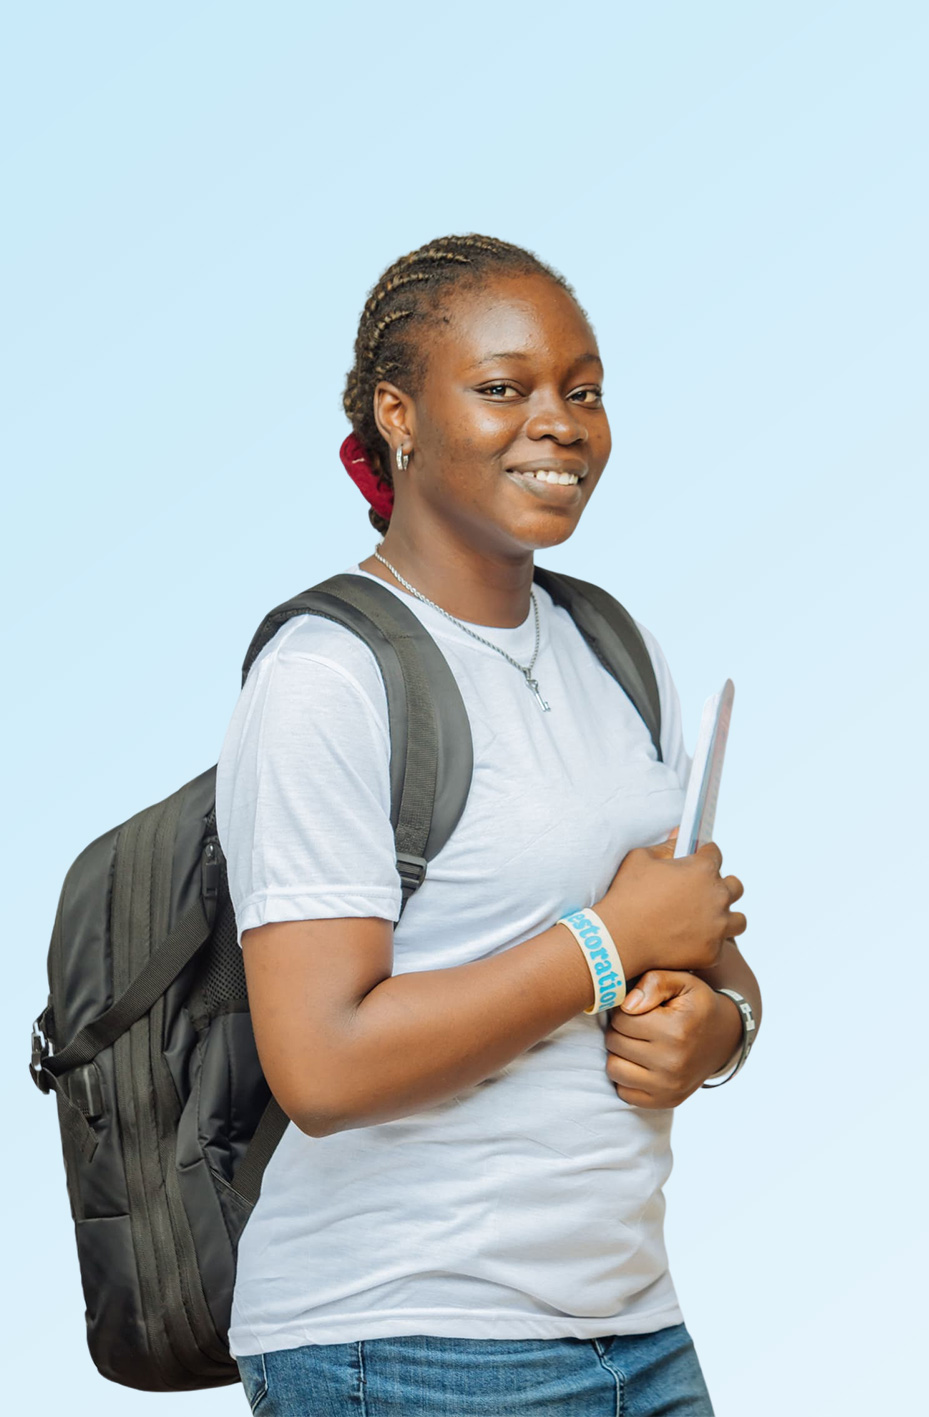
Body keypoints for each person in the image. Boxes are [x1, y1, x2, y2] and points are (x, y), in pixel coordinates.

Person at [216, 233, 761, 1416]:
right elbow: (320, 1062)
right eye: (505, 389)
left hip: (637, 1328)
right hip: (405, 1338)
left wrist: (718, 1030)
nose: (560, 422)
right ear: (398, 415)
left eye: (585, 389)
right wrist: (606, 947)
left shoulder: (616, 649)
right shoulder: (328, 676)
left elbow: (697, 950)